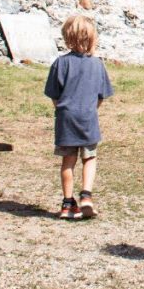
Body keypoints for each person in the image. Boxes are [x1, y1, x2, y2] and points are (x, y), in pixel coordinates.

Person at [44, 15, 114, 220]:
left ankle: (67, 204)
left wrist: (63, 111)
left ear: (67, 37)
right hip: (88, 117)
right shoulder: (97, 64)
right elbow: (101, 96)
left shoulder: (60, 63)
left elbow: (54, 95)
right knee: (89, 157)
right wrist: (90, 109)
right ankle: (86, 196)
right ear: (92, 38)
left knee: (68, 160)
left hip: (65, 118)